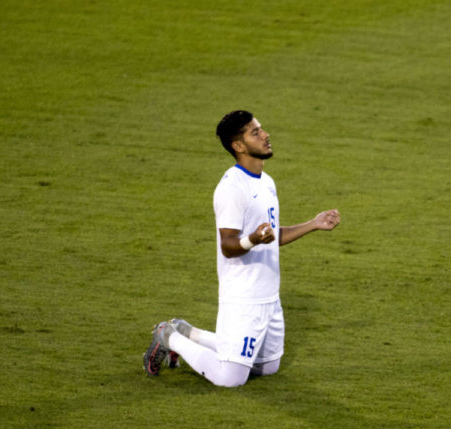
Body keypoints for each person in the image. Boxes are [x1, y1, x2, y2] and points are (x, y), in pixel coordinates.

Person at [142, 110, 341, 387]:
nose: (265, 134)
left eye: (262, 129)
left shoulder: (267, 182)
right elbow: (229, 245)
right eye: (255, 132)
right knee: (230, 378)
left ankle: (190, 334)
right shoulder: (231, 188)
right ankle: (168, 336)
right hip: (243, 297)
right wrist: (253, 240)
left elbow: (271, 236)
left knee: (267, 367)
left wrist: (313, 224)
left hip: (269, 295)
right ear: (238, 145)